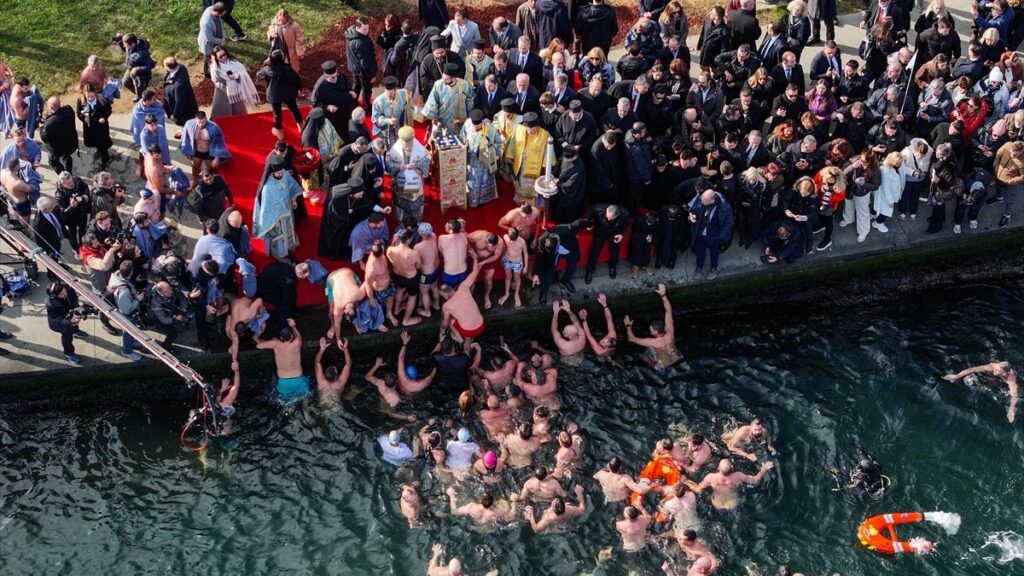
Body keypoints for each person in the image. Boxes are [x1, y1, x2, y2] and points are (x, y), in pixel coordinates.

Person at [253, 156, 303, 259]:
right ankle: (281, 254)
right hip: (276, 219)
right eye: (278, 173)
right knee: (280, 236)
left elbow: (291, 186)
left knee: (289, 229)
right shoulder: (267, 188)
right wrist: (276, 220)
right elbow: (267, 209)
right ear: (272, 171)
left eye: (281, 171)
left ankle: (291, 246)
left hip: (287, 211)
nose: (281, 174)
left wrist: (293, 199)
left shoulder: (284, 174)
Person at [624, 284, 679, 370]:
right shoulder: (670, 332)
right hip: (674, 357)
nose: (650, 331)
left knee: (644, 357)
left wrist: (628, 325)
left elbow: (631, 339)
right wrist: (663, 295)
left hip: (661, 364)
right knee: (658, 351)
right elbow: (668, 311)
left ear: (656, 332)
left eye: (651, 330)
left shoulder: (652, 342)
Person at [944, 361, 1019, 423]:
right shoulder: (992, 367)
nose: (994, 370)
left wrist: (1011, 409)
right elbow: (972, 369)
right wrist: (957, 376)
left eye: (997, 370)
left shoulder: (1011, 379)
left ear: (1004, 373)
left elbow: (1015, 396)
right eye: (996, 368)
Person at [257, 318, 309, 402]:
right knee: (305, 401)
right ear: (291, 336)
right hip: (299, 379)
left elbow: (258, 346)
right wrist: (293, 326)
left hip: (284, 383)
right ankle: (306, 413)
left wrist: (271, 341)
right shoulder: (297, 342)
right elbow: (298, 335)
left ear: (281, 337)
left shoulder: (276, 344)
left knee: (287, 404)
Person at [690, 459, 775, 510]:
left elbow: (698, 489)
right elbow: (755, 482)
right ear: (731, 468)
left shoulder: (711, 478)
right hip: (732, 504)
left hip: (717, 504)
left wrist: (687, 482)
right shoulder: (738, 476)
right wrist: (763, 469)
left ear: (718, 468)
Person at [504, 111, 549, 205]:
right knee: (520, 183)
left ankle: (532, 204)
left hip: (536, 167)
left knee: (533, 186)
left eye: (535, 128)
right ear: (525, 126)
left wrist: (545, 166)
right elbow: (512, 143)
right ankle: (520, 201)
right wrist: (509, 156)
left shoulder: (544, 134)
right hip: (521, 163)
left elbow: (547, 151)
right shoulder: (518, 129)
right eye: (530, 129)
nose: (533, 131)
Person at [386, 126, 430, 222]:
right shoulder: (395, 150)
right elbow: (388, 163)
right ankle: (401, 217)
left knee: (414, 199)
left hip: (415, 180)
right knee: (400, 200)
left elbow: (426, 161)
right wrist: (397, 167)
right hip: (401, 181)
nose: (407, 147)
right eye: (405, 146)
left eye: (409, 146)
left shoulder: (419, 148)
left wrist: (417, 165)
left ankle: (415, 218)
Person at [461, 109, 504, 208]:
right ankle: (471, 199)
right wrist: (464, 143)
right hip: (471, 159)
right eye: (474, 125)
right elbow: (462, 134)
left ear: (482, 122)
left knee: (483, 181)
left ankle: (482, 200)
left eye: (478, 125)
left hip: (484, 161)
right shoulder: (467, 123)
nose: (476, 127)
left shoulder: (490, 129)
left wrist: (494, 155)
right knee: (471, 179)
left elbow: (499, 143)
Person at [688, 189, 734, 280]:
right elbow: (692, 209)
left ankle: (714, 268)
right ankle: (699, 267)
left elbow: (729, 223)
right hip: (700, 233)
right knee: (700, 251)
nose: (701, 201)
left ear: (712, 200)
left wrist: (720, 236)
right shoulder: (700, 199)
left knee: (714, 252)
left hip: (714, 235)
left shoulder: (725, 207)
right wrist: (691, 215)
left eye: (704, 201)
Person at [256, 49, 303, 136]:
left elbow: (258, 76)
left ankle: (279, 133)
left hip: (275, 95)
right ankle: (301, 126)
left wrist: (265, 64)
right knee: (294, 109)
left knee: (277, 114)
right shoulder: (287, 68)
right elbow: (296, 78)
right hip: (288, 93)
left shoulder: (267, 69)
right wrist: (299, 88)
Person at [180, 112, 231, 190]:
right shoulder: (189, 124)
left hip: (209, 152)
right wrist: (189, 152)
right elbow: (186, 138)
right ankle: (194, 181)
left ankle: (214, 184)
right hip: (197, 152)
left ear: (206, 119)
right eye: (199, 122)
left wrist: (217, 158)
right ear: (195, 119)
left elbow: (218, 143)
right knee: (195, 167)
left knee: (212, 169)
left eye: (203, 122)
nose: (201, 124)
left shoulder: (214, 128)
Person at [440, 260, 486, 348]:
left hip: (467, 331)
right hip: (481, 325)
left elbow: (445, 323)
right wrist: (475, 258)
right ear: (453, 290)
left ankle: (461, 340)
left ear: (446, 296)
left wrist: (442, 330)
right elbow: (475, 272)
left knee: (448, 320)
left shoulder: (447, 305)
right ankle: (471, 338)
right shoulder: (463, 288)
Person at [423, 63, 475, 134]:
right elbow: (432, 101)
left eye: (446, 79)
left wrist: (466, 113)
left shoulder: (464, 84)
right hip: (441, 118)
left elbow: (471, 100)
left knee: (457, 139)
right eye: (443, 78)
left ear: (453, 78)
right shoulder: (438, 84)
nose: (443, 81)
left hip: (458, 118)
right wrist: (433, 117)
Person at [209, 46, 259, 118]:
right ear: (216, 58)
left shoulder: (233, 62)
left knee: (239, 111)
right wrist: (214, 64)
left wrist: (235, 76)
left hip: (236, 90)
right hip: (223, 91)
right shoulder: (214, 67)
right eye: (220, 56)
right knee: (222, 112)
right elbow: (215, 79)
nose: (223, 57)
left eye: (224, 54)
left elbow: (243, 72)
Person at [107, 261, 144, 362]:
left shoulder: (116, 276)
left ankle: (130, 342)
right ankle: (127, 351)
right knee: (128, 331)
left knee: (128, 332)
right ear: (131, 272)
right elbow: (126, 309)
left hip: (121, 309)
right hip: (127, 315)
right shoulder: (124, 290)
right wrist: (137, 300)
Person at [585, 204, 629, 283]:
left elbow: (626, 226)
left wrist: (621, 234)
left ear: (616, 216)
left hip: (614, 233)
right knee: (595, 251)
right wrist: (589, 221)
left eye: (610, 217)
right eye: (606, 216)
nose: (607, 218)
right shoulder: (599, 207)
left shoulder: (625, 214)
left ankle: (613, 266)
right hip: (600, 231)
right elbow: (590, 210)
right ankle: (590, 270)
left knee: (615, 251)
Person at [46, 282, 84, 365]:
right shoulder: (51, 305)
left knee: (74, 323)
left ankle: (76, 330)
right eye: (61, 294)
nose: (65, 294)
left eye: (64, 291)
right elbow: (57, 320)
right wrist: (70, 321)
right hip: (59, 322)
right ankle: (68, 353)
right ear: (55, 296)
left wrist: (75, 310)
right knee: (67, 335)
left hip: (68, 313)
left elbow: (74, 298)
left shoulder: (68, 290)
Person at [76, 83, 113, 170]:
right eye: (88, 96)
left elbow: (108, 110)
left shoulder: (102, 101)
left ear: (95, 93)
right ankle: (98, 151)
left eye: (92, 96)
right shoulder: (81, 102)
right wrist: (84, 118)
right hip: (89, 128)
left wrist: (104, 117)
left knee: (102, 145)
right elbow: (78, 113)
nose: (90, 98)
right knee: (93, 142)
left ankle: (105, 160)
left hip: (101, 128)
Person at [39, 96, 78, 175]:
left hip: (57, 149)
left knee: (53, 161)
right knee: (67, 157)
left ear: (50, 107)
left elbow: (44, 138)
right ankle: (69, 171)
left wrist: (41, 127)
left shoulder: (50, 123)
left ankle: (64, 175)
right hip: (70, 143)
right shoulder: (68, 109)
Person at [446, 487, 518, 528]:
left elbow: (454, 511)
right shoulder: (497, 512)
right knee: (504, 502)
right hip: (489, 530)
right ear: (492, 503)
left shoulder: (472, 507)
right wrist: (514, 502)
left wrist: (451, 495)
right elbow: (511, 518)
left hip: (476, 527)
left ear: (480, 500)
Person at [345, 17, 377, 107]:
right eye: (364, 29)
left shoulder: (351, 33)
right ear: (358, 27)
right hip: (363, 71)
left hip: (354, 67)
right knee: (367, 89)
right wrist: (372, 74)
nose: (367, 31)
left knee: (357, 84)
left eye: (368, 28)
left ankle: (352, 103)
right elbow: (366, 62)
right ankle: (367, 107)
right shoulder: (361, 43)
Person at [161, 57, 198, 127]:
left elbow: (180, 102)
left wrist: (175, 115)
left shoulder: (178, 85)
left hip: (185, 113)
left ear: (168, 67)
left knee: (187, 125)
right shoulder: (181, 67)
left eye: (164, 66)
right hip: (188, 106)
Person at [498, 227, 528, 309]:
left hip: (517, 262)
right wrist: (502, 257)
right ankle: (507, 293)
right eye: (511, 239)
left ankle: (516, 294)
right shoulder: (505, 237)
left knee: (517, 279)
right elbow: (504, 247)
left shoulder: (522, 242)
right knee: (508, 278)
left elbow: (525, 253)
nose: (511, 241)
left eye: (513, 239)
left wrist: (526, 266)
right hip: (507, 260)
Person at [267, 9, 305, 73]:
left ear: (287, 18)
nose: (281, 22)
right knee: (281, 63)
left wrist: (299, 52)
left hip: (291, 49)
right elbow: (269, 31)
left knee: (293, 64)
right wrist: (271, 35)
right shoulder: (274, 24)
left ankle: (294, 74)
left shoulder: (294, 26)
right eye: (279, 20)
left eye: (283, 20)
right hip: (280, 48)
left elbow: (299, 39)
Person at [119, 34, 156, 101]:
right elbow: (127, 50)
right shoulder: (130, 44)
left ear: (133, 44)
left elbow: (152, 64)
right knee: (125, 82)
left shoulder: (142, 53)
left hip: (141, 75)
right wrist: (120, 40)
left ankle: (146, 98)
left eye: (125, 44)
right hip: (131, 68)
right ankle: (139, 95)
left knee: (141, 92)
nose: (124, 46)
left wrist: (137, 69)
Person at [198, 2, 227, 77]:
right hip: (208, 44)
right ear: (218, 12)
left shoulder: (212, 8)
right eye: (223, 13)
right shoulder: (206, 23)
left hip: (217, 39)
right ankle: (207, 72)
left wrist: (223, 36)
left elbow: (221, 25)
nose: (224, 14)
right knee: (208, 58)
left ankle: (218, 68)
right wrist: (221, 41)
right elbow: (209, 38)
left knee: (218, 55)